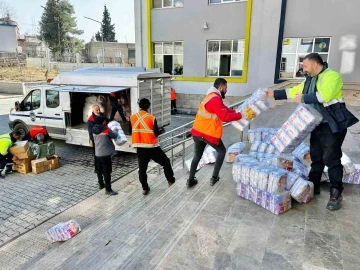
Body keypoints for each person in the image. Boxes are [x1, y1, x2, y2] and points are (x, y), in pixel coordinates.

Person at [267, 53, 358, 210]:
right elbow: (295, 91)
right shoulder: (309, 79)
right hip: (316, 124)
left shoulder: (332, 76)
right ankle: (313, 186)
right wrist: (273, 94)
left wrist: (304, 97)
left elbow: (325, 95)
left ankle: (336, 193)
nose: (304, 69)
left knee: (332, 158)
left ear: (315, 64)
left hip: (332, 124)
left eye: (306, 66)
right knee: (316, 156)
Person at [188, 78, 256, 188]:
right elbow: (224, 116)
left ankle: (190, 180)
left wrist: (238, 112)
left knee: (197, 155)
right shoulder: (215, 99)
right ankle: (214, 177)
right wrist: (242, 116)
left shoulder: (210, 97)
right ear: (221, 87)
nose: (226, 90)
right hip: (207, 133)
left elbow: (225, 109)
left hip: (197, 132)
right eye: (226, 88)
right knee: (222, 151)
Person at [130, 98, 175, 195]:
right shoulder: (151, 118)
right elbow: (155, 133)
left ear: (139, 105)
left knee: (142, 169)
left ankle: (145, 188)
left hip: (140, 147)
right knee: (166, 162)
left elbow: (131, 131)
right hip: (152, 146)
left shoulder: (132, 117)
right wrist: (161, 131)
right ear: (148, 106)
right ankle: (171, 181)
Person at [92, 115, 118, 195]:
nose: (105, 121)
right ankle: (108, 190)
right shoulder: (106, 129)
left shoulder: (93, 130)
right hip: (105, 154)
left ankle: (101, 184)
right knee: (107, 172)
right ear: (102, 122)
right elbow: (114, 136)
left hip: (97, 153)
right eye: (104, 120)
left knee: (99, 170)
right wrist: (116, 131)